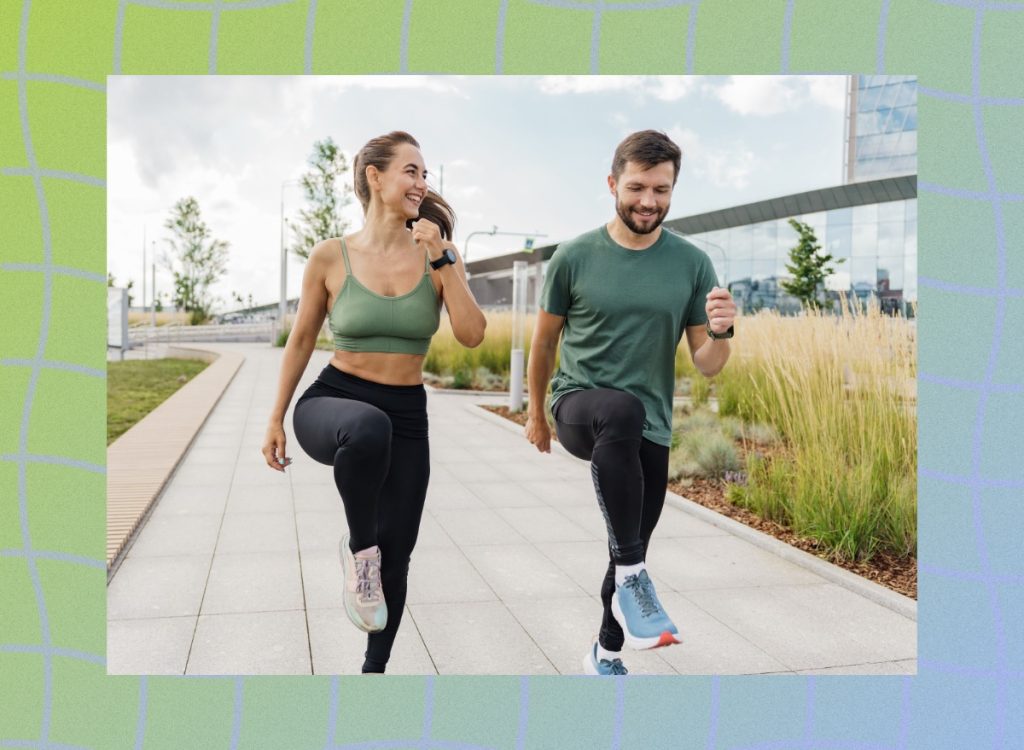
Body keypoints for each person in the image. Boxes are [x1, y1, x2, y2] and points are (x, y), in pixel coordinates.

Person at [262, 131, 486, 674]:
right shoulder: (330, 256)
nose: (421, 183)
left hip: (407, 413)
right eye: (411, 171)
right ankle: (361, 553)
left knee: (400, 553)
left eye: (425, 174)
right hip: (334, 402)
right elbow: (302, 339)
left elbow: (474, 334)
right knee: (367, 428)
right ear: (374, 177)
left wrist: (444, 260)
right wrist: (274, 417)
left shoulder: (439, 255)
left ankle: (373, 673)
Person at [524, 130, 736, 676]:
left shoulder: (691, 263)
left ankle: (606, 652)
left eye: (661, 190)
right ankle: (634, 578)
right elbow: (544, 341)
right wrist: (534, 414)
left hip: (650, 424)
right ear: (613, 183)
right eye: (638, 186)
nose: (649, 201)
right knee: (619, 413)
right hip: (579, 406)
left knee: (628, 549)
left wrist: (724, 330)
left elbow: (706, 362)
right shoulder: (574, 257)